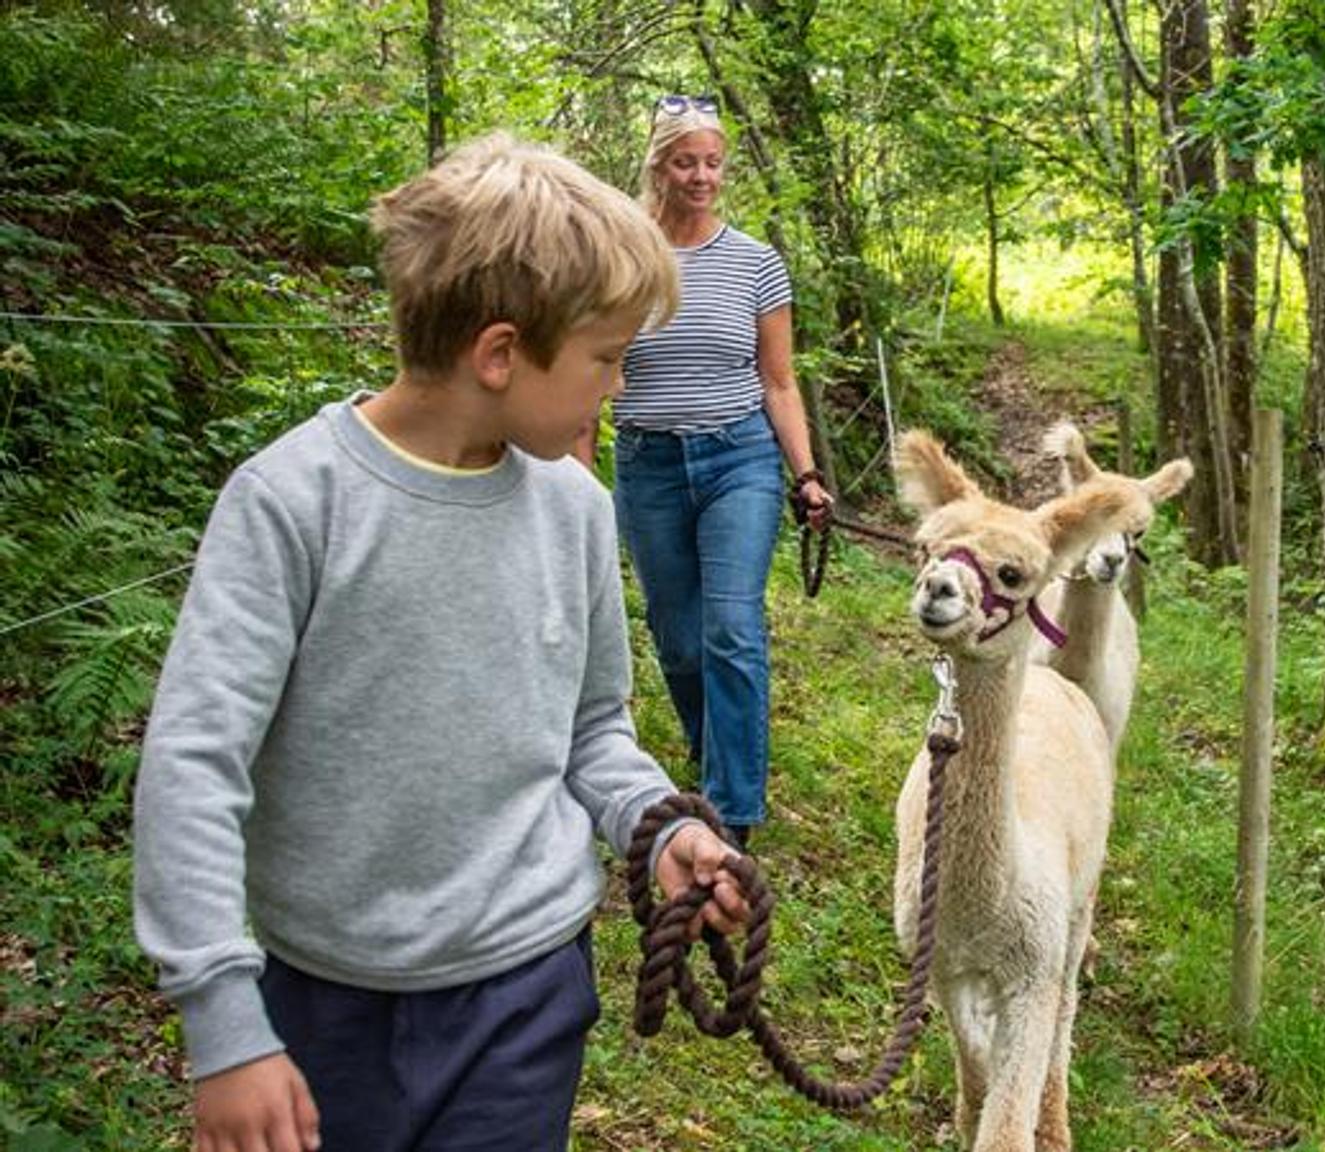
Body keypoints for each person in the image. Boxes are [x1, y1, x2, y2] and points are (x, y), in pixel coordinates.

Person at [131, 133, 751, 1152]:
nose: (618, 388)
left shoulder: (575, 509)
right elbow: (196, 763)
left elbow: (592, 729)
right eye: (605, 358)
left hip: (526, 991)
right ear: (500, 353)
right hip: (325, 1001)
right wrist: (222, 1020)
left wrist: (655, 824)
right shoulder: (292, 503)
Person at [580, 94, 832, 851]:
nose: (701, 176)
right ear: (659, 165)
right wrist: (576, 480)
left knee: (731, 628)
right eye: (686, 162)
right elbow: (593, 377)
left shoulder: (756, 263)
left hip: (739, 459)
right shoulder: (624, 259)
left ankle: (732, 810)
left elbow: (778, 382)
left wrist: (806, 474)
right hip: (649, 464)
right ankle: (710, 748)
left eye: (713, 163)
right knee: (679, 639)